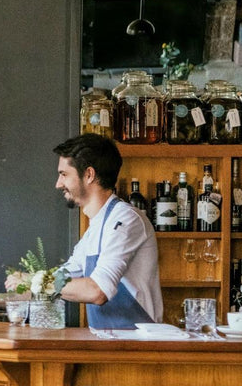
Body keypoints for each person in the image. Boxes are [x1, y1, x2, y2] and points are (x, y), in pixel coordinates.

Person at [51, 133, 162, 329]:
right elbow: (59, 279)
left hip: (137, 346)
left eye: (64, 174)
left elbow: (97, 291)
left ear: (89, 175)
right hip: (108, 344)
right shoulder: (94, 229)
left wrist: (39, 283)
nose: (58, 184)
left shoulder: (126, 219)